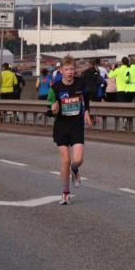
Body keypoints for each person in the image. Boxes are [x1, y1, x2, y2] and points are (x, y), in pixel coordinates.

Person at [48, 56, 93, 204]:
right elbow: (49, 108)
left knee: (78, 160)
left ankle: (75, 170)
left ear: (75, 70)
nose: (69, 72)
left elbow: (85, 99)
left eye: (72, 69)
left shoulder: (81, 83)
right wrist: (53, 110)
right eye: (66, 69)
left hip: (76, 126)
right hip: (61, 127)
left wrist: (86, 112)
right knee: (66, 160)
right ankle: (65, 192)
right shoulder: (55, 88)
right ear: (61, 71)